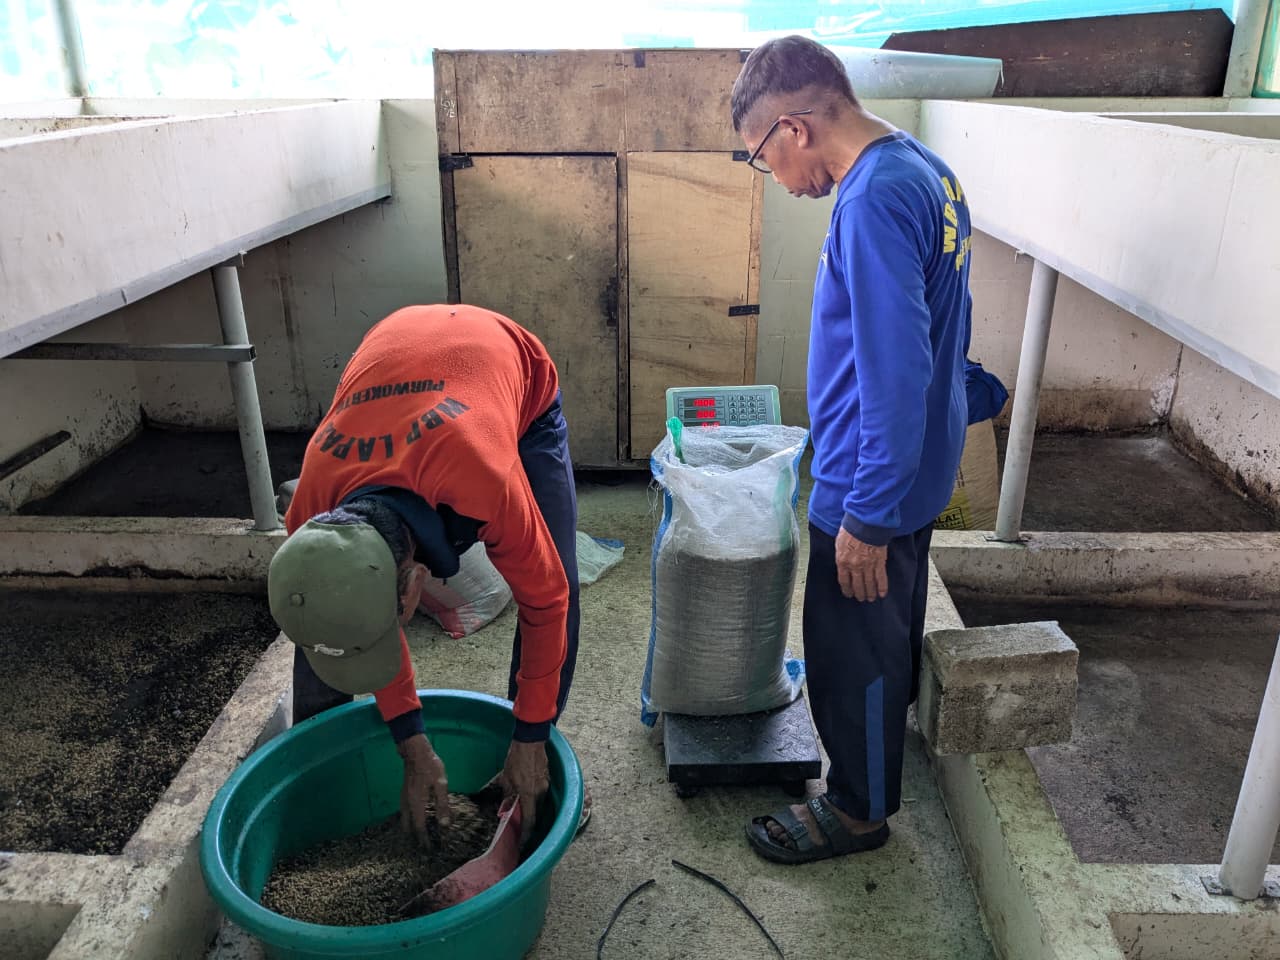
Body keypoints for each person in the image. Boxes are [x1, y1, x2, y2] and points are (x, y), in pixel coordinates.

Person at [731, 36, 972, 862]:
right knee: (886, 636)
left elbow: (896, 371)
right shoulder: (925, 170)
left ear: (793, 129)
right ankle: (880, 753)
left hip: (870, 482)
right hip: (914, 468)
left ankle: (858, 811)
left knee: (849, 655)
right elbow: (941, 325)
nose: (774, 178)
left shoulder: (870, 201)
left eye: (761, 157)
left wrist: (865, 515)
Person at [267, 303, 582, 845]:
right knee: (328, 612)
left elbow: (546, 600)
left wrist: (531, 734)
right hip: (398, 350)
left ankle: (532, 767)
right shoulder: (309, 517)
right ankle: (324, 790)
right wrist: (413, 746)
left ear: (415, 585)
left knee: (558, 579)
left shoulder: (484, 482)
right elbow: (361, 619)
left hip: (509, 369)